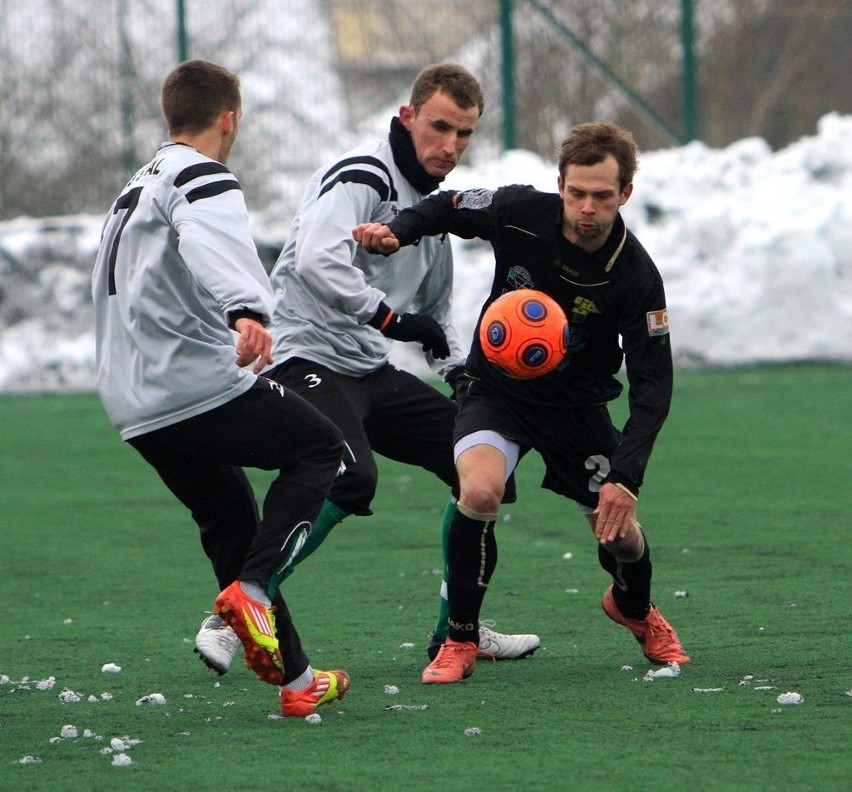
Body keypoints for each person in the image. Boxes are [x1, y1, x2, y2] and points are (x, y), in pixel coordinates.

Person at [192, 62, 539, 673]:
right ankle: (235, 609)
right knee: (351, 475)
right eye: (439, 127)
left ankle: (456, 629)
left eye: (464, 134)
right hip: (303, 355)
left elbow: (433, 314)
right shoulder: (361, 174)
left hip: (367, 370)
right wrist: (391, 322)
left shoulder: (430, 215)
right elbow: (320, 264)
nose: (450, 146)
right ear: (407, 117)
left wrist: (460, 372)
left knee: (484, 472)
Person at [353, 121, 690, 684]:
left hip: (577, 411)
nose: (587, 207)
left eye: (602, 196)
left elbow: (654, 388)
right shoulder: (519, 209)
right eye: (577, 192)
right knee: (479, 490)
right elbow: (448, 205)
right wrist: (400, 231)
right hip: (498, 393)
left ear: (625, 194)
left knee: (622, 538)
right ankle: (460, 638)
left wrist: (625, 476)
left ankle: (634, 607)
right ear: (560, 183)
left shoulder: (636, 275)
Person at [92, 59, 350, 717]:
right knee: (323, 450)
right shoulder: (199, 172)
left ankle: (297, 683)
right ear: (229, 119)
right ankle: (255, 592)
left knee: (231, 519)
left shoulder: (135, 186)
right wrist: (248, 307)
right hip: (191, 384)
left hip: (134, 401)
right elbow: (210, 238)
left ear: (169, 116)